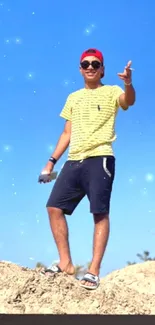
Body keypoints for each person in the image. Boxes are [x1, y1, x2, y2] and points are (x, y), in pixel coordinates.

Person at [40, 48, 136, 290]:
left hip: (100, 157)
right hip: (74, 160)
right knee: (53, 207)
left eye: (95, 64)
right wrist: (51, 161)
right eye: (86, 64)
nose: (90, 67)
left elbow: (128, 102)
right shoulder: (73, 97)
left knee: (99, 212)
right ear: (80, 69)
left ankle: (93, 271)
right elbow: (67, 133)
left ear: (102, 69)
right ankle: (65, 264)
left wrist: (128, 85)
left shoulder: (113, 91)